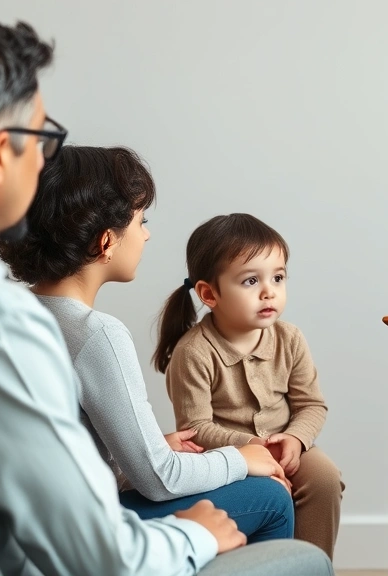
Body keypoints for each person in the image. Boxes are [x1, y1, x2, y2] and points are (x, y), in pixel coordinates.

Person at [0, 10, 331, 575]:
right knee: (291, 544)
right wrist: (190, 537)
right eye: (42, 138)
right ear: (0, 155)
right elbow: (104, 559)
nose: (44, 162)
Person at [0, 145, 294, 542]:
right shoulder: (96, 334)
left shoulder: (12, 310)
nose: (147, 234)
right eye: (140, 221)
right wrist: (239, 459)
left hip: (34, 522)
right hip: (86, 528)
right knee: (271, 498)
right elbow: (160, 480)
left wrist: (144, 451)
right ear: (106, 242)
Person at [153, 213, 344, 558]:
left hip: (288, 445)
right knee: (269, 493)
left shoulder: (290, 339)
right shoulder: (194, 352)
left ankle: (314, 565)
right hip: (229, 458)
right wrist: (253, 446)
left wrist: (295, 438)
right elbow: (195, 428)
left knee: (325, 478)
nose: (269, 291)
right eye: (251, 281)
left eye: (279, 277)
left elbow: (312, 405)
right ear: (209, 294)